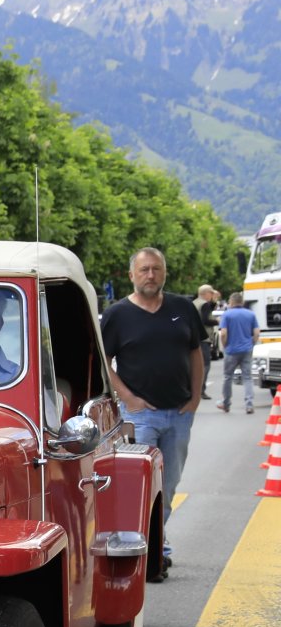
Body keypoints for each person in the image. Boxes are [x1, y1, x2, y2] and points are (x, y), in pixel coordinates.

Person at [100, 246, 204, 582]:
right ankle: (150, 554)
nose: (150, 275)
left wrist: (195, 398)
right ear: (132, 274)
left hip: (179, 414)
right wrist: (128, 398)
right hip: (140, 417)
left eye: (156, 269)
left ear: (164, 273)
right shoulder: (117, 315)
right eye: (144, 269)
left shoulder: (183, 308)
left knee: (168, 487)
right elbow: (104, 363)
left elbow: (196, 354)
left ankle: (157, 543)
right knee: (142, 487)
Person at [217, 292, 260, 414]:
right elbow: (257, 333)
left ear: (231, 302)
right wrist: (251, 343)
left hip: (231, 350)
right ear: (242, 302)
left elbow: (223, 333)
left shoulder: (227, 315)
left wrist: (225, 345)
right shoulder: (251, 314)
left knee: (228, 377)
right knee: (247, 377)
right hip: (246, 350)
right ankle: (249, 404)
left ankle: (226, 403)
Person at [196, 284, 220, 399]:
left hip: (194, 337)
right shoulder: (204, 304)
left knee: (194, 365)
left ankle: (193, 388)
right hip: (203, 338)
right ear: (206, 293)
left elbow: (208, 309)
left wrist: (214, 301)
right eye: (211, 293)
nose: (212, 295)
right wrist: (217, 321)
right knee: (205, 364)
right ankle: (201, 389)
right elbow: (205, 320)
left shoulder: (195, 303)